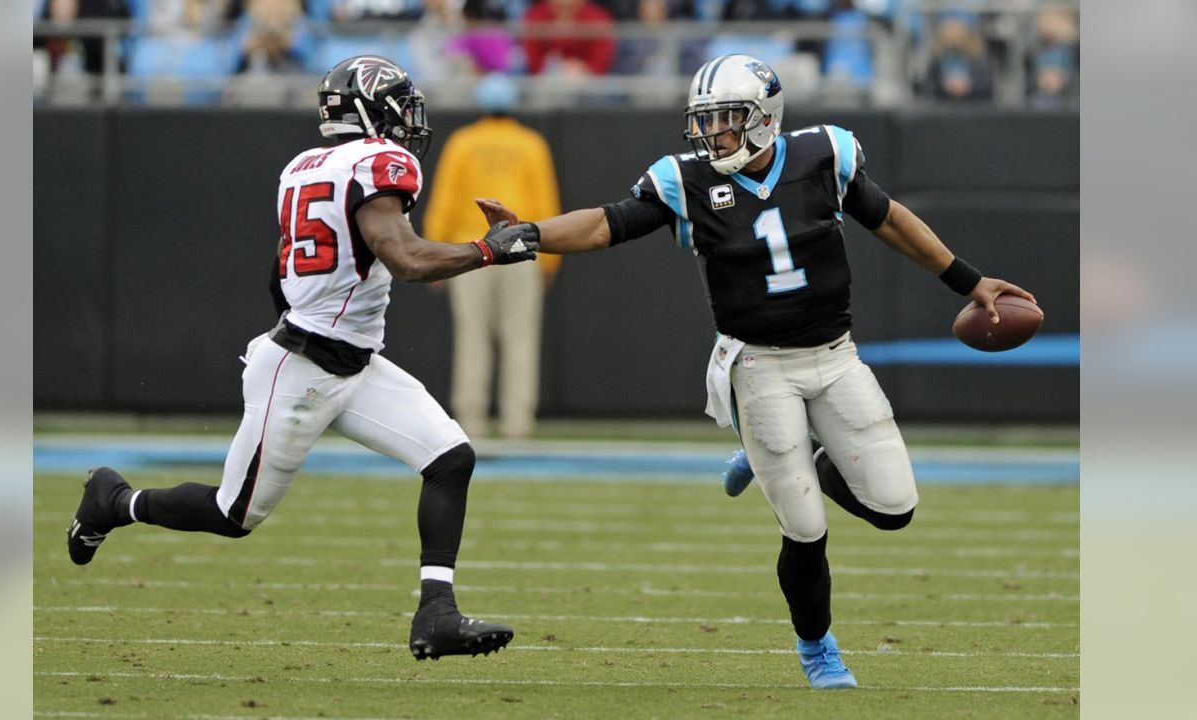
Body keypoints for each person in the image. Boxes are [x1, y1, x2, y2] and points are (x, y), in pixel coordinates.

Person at [476, 53, 1036, 689]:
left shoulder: (823, 156)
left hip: (834, 355)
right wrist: (530, 234)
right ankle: (818, 649)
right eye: (704, 122)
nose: (711, 136)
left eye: (725, 121)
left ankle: (810, 455)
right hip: (758, 366)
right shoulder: (684, 180)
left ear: (764, 119)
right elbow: (607, 223)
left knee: (894, 507)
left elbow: (889, 220)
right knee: (804, 527)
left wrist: (968, 281)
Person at [65, 55, 540, 662]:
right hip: (305, 367)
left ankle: (436, 614)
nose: (411, 120)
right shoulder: (378, 163)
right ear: (370, 109)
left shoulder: (303, 166)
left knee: (450, 458)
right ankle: (114, 500)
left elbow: (282, 274)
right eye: (401, 105)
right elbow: (409, 261)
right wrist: (489, 250)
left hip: (353, 362)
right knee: (234, 513)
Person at [422, 74, 561, 439]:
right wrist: (549, 260)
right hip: (520, 251)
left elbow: (445, 202)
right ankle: (518, 423)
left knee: (472, 337)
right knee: (520, 337)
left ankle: (471, 422)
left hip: (471, 252)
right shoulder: (531, 143)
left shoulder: (463, 142)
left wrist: (434, 257)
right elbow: (546, 203)